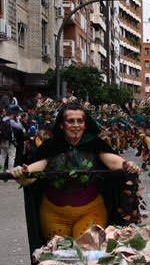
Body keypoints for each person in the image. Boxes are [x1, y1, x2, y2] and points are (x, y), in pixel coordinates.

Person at [10, 104, 141, 247]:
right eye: (71, 121)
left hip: (91, 211)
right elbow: (30, 174)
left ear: (86, 124)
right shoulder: (51, 146)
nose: (76, 125)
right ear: (61, 125)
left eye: (80, 121)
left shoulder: (94, 143)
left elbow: (114, 161)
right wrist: (20, 173)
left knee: (87, 254)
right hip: (53, 215)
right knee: (59, 257)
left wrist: (128, 165)